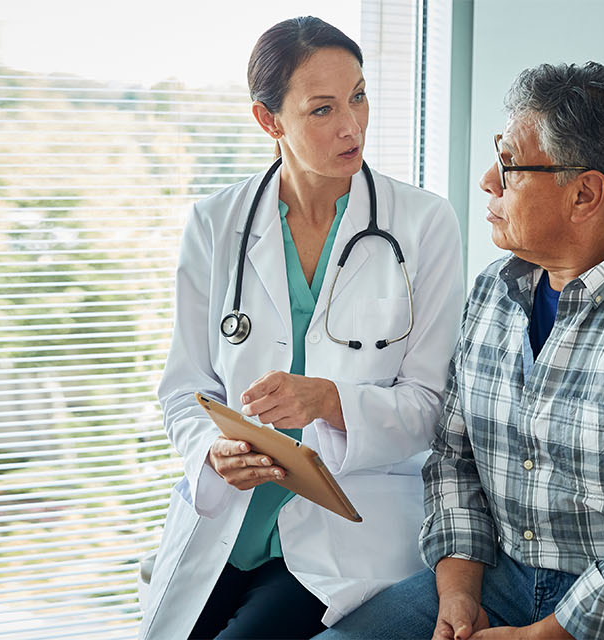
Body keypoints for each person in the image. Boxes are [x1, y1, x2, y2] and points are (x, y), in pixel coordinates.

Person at [320, 62, 604, 640]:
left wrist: (547, 634)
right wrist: (458, 593)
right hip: (508, 576)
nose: (489, 179)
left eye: (510, 165)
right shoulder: (495, 290)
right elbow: (455, 457)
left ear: (585, 193)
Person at [139, 16, 464, 640]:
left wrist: (332, 401)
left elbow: (434, 407)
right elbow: (184, 390)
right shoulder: (215, 224)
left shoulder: (424, 224)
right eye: (322, 109)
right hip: (229, 518)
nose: (352, 125)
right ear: (270, 121)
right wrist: (210, 450)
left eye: (359, 96)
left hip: (347, 526)